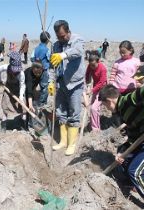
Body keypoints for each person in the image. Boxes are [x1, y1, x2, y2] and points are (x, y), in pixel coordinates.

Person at [99, 84, 144, 209]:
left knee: (137, 172)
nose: (106, 109)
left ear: (110, 101)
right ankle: (132, 184)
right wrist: (122, 153)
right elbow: (133, 137)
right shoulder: (122, 112)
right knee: (123, 154)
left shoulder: (128, 99)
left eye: (105, 105)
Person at [49, 20, 86, 156]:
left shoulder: (78, 40)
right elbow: (52, 65)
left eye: (63, 36)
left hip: (75, 83)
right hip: (61, 83)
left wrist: (63, 55)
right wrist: (51, 82)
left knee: (74, 113)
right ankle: (63, 142)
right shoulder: (56, 45)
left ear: (68, 31)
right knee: (61, 112)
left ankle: (72, 144)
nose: (61, 39)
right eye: (58, 36)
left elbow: (78, 51)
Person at [0, 51, 26, 130]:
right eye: (14, 69)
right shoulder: (5, 67)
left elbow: (22, 85)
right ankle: (4, 123)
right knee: (5, 105)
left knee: (22, 106)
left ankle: (22, 122)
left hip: (18, 90)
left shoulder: (21, 73)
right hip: (8, 89)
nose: (15, 71)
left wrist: (21, 97)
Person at [85, 51, 107, 132]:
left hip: (102, 90)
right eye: (90, 65)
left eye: (94, 65)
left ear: (98, 61)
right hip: (95, 88)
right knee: (92, 108)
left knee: (94, 108)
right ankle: (93, 124)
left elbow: (102, 82)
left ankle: (96, 129)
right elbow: (87, 74)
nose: (92, 67)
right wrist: (88, 83)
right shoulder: (90, 65)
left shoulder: (102, 68)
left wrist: (92, 90)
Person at [30, 31, 51, 106]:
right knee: (44, 87)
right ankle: (42, 103)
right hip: (43, 71)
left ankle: (33, 100)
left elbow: (32, 58)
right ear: (48, 40)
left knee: (34, 86)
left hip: (35, 71)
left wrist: (36, 63)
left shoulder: (36, 49)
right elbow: (50, 59)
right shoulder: (47, 50)